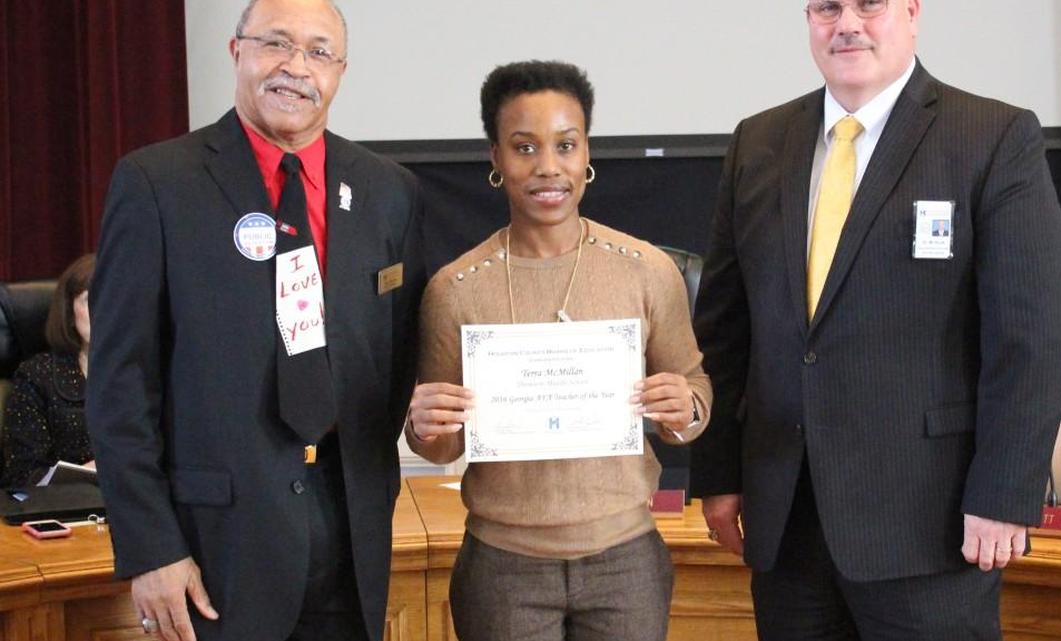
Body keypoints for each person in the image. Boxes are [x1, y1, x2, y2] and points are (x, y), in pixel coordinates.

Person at [690, 1, 1061, 639]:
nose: (847, 23)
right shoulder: (758, 141)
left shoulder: (992, 135)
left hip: (933, 524)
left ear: (912, 13)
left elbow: (1032, 336)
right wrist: (719, 474)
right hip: (788, 518)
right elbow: (725, 330)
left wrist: (1005, 496)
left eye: (869, 3)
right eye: (827, 7)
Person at [86, 0, 424, 639]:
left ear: (341, 71)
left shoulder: (388, 191)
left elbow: (396, 360)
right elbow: (119, 385)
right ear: (237, 51)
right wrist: (151, 545)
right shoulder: (158, 183)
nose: (296, 68)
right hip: (216, 542)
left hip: (351, 532)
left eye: (319, 52)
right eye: (276, 44)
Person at [406, 60, 711, 641]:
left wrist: (684, 408)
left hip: (626, 562)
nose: (548, 167)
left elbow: (695, 401)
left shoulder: (648, 270)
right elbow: (440, 438)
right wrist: (424, 427)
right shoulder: (456, 289)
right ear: (495, 157)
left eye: (565, 145)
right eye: (523, 147)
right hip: (503, 567)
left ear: (586, 151)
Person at [1, 254, 95, 487]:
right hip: (69, 512)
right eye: (90, 299)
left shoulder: (151, 371)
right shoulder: (36, 377)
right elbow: (21, 476)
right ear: (70, 312)